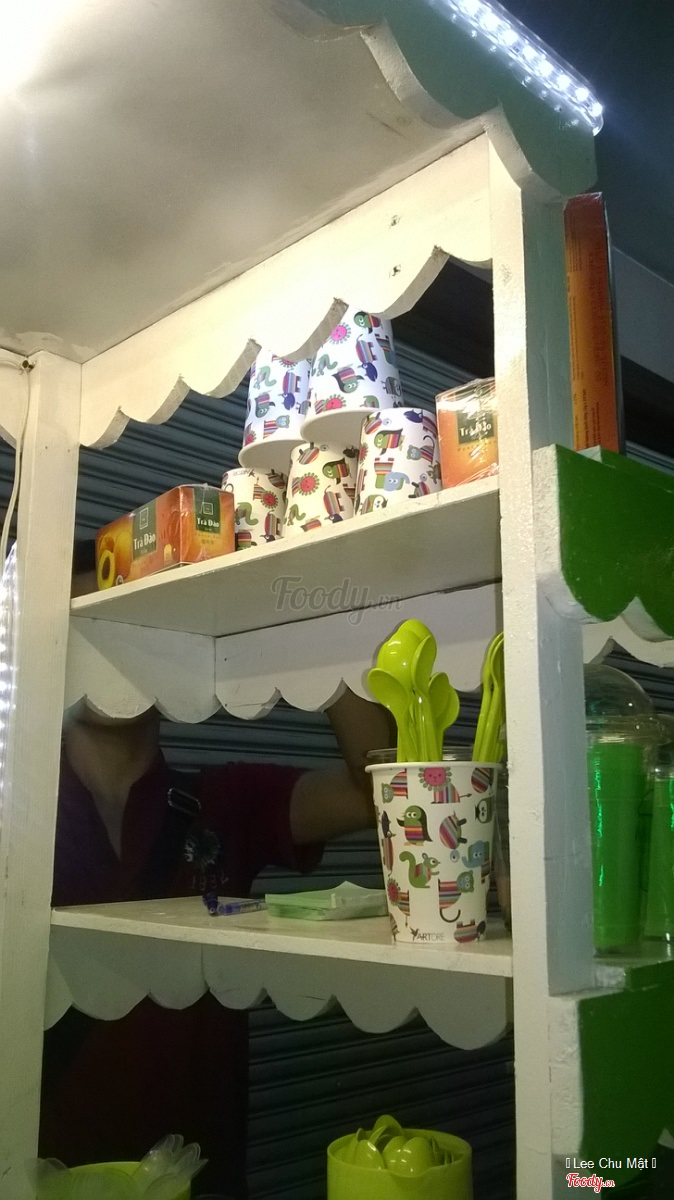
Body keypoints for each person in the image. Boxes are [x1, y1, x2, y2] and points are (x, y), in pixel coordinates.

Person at [40, 540, 392, 1198]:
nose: (107, 653)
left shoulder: (225, 802)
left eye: (129, 624)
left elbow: (386, 788)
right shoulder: (17, 813)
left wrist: (303, 618)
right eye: (83, 629)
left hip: (204, 1176)